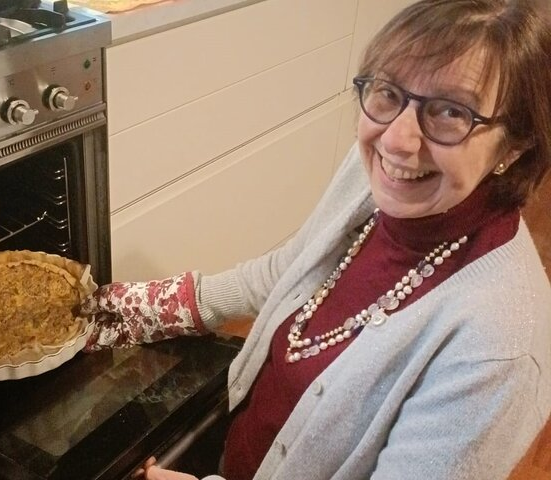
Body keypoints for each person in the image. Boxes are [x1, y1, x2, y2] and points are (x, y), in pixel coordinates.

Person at [83, 0, 551, 478]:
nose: (396, 140)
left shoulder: (499, 346)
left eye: (451, 111)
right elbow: (291, 268)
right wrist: (130, 310)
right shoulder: (381, 175)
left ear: (515, 145)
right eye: (389, 91)